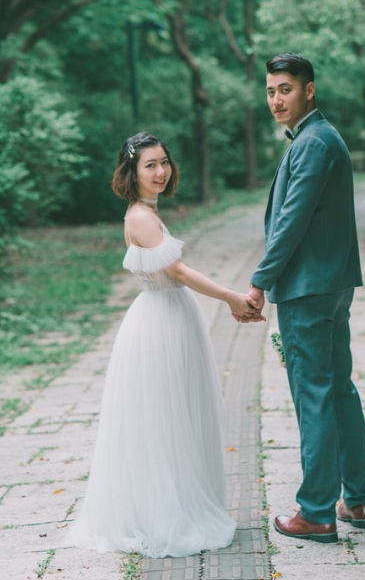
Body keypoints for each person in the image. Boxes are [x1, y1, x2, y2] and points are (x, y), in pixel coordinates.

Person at [68, 133, 257, 557]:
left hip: (171, 316)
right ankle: (163, 515)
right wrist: (231, 297)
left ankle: (178, 504)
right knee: (162, 418)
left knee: (177, 416)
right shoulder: (140, 217)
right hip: (158, 323)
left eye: (164, 162)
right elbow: (178, 271)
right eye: (150, 165)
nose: (160, 171)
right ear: (131, 172)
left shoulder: (148, 213)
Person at [245, 52, 365, 543]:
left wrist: (259, 281)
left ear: (309, 90)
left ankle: (316, 512)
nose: (277, 99)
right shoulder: (317, 139)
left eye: (286, 89)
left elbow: (291, 222)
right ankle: (357, 500)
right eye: (271, 91)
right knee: (337, 389)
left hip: (308, 289)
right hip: (329, 286)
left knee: (315, 395)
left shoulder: (314, 143)